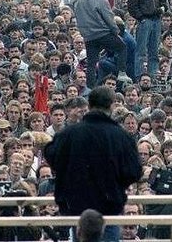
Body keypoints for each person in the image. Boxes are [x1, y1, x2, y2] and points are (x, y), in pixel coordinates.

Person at [44, 87, 143, 242]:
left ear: (89, 106)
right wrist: (116, 182)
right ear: (111, 106)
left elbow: (51, 154)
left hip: (76, 204)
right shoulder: (121, 136)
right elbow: (134, 171)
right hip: (109, 205)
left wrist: (70, 174)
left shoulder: (69, 133)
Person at [74, 0, 131, 88]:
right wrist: (116, 31)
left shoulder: (79, 1)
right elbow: (108, 17)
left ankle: (90, 87)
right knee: (122, 47)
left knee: (91, 63)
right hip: (103, 33)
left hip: (89, 36)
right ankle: (122, 73)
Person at [127, 0, 169, 80]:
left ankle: (153, 76)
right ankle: (139, 76)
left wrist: (162, 9)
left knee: (154, 51)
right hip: (145, 20)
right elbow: (132, 5)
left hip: (156, 20)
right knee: (141, 51)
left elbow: (164, 2)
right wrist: (141, 17)